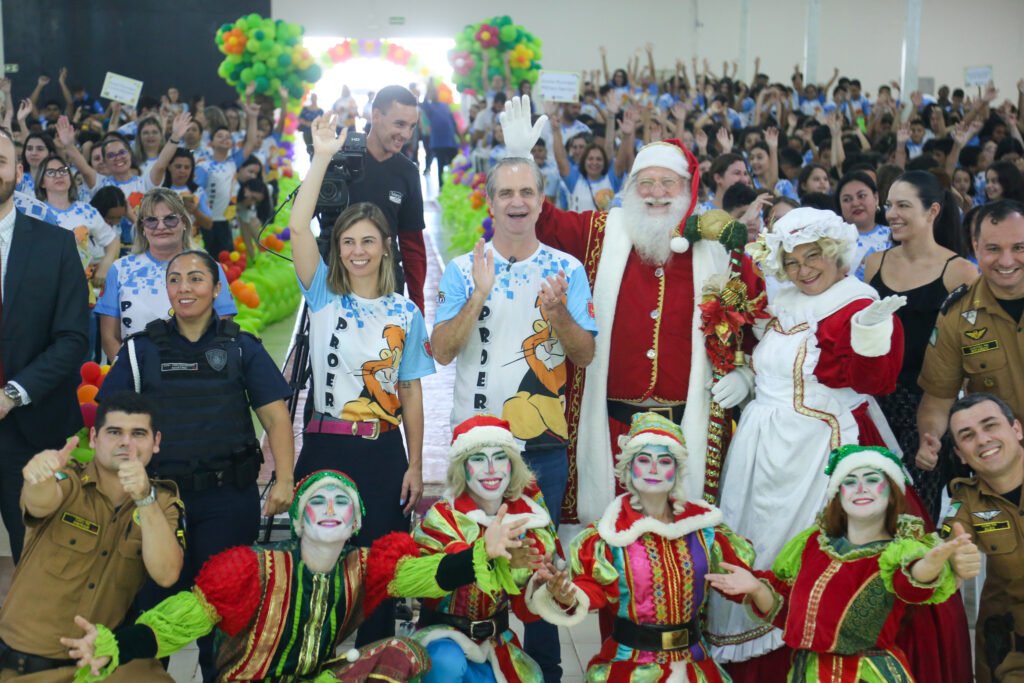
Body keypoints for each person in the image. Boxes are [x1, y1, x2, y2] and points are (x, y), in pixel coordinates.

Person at [499, 95, 761, 525]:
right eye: (646, 183)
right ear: (631, 188)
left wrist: (745, 372)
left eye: (668, 183)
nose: (656, 194)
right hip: (611, 426)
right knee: (607, 535)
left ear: (686, 190)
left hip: (685, 426)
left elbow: (755, 316)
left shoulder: (717, 244)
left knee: (678, 532)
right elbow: (543, 221)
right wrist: (519, 159)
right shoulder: (602, 231)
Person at [62, 469, 533, 683]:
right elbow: (178, 622)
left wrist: (477, 553)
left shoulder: (364, 568)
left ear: (354, 523)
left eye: (341, 503)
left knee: (403, 652)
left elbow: (428, 575)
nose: (330, 510)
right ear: (301, 519)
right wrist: (118, 644)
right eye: (318, 503)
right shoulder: (251, 569)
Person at [708, 207, 911, 676]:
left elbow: (875, 380)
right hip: (762, 449)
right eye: (794, 261)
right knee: (753, 541)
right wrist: (745, 375)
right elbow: (765, 360)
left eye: (814, 256)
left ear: (837, 253)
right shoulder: (782, 302)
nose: (804, 270)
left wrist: (871, 333)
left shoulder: (855, 304)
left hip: (820, 447)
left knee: (810, 552)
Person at [430, 154, 596, 683]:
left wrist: (559, 316)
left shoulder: (567, 270)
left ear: (542, 201)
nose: (518, 202)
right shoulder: (463, 268)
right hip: (473, 451)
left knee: (539, 565)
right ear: (492, 200)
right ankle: (470, 666)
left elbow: (585, 354)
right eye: (507, 193)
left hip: (540, 447)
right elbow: (441, 350)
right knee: (469, 564)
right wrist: (478, 295)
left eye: (527, 192)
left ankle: (545, 673)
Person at [290, 114, 435, 647]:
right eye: (348, 240)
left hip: (383, 452)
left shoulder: (405, 312)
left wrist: (415, 463)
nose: (357, 250)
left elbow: (412, 391)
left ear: (384, 247)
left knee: (382, 571)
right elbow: (298, 226)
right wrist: (321, 156)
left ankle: (376, 661)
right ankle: (317, 659)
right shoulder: (323, 295)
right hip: (328, 449)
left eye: (368, 240)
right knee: (321, 570)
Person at [707, 445, 980, 683]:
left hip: (866, 674)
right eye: (850, 481)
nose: (860, 488)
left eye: (873, 480)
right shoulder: (815, 545)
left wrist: (930, 564)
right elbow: (788, 613)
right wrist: (756, 588)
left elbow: (912, 583)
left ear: (892, 493)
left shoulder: (899, 552)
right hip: (808, 672)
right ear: (838, 494)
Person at [528, 412, 759, 682]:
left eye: (664, 461)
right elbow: (592, 590)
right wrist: (567, 595)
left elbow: (741, 586)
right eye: (644, 460)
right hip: (631, 666)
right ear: (627, 468)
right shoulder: (606, 537)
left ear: (677, 470)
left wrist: (757, 587)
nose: (653, 469)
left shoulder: (706, 531)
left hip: (694, 663)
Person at [0, 392, 183, 680]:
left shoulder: (161, 503)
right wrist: (38, 476)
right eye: (114, 432)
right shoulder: (69, 478)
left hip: (101, 663)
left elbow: (167, 574)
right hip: (24, 667)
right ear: (95, 438)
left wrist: (144, 499)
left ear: (155, 442)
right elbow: (41, 500)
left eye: (138, 433)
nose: (126, 442)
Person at [863, 171, 978, 521]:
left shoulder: (960, 271)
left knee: (917, 514)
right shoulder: (874, 264)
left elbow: (969, 349)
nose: (892, 214)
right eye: (889, 205)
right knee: (873, 507)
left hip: (928, 406)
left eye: (903, 205)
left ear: (932, 211)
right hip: (875, 405)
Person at [0, 128, 89, 562]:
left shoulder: (55, 245)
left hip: (30, 425)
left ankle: (25, 634)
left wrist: (11, 394)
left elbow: (74, 338)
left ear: (18, 172)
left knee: (37, 554)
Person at [413, 415, 556, 683]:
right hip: (442, 639)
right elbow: (429, 584)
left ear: (513, 467)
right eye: (478, 459)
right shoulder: (441, 518)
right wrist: (491, 557)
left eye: (500, 457)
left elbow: (525, 612)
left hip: (495, 642)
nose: (491, 469)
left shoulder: (528, 521)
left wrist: (542, 588)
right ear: (461, 469)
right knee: (446, 665)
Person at [917, 200, 1024, 473]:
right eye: (993, 249)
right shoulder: (956, 315)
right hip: (1003, 466)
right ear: (975, 247)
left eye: (1019, 248)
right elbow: (938, 400)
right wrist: (930, 437)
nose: (1007, 260)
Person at [93, 188, 237, 361]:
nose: (161, 227)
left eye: (170, 219)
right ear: (142, 227)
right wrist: (129, 375)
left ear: (184, 222)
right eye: (152, 220)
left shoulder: (210, 268)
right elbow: (109, 338)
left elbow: (223, 333)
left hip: (197, 375)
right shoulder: (119, 270)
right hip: (134, 379)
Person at [943, 393, 1024, 683]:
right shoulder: (964, 500)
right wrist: (952, 560)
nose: (982, 440)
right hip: (1014, 650)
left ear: (1016, 429)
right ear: (961, 455)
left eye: (990, 426)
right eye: (968, 436)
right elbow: (945, 543)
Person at [343, 85, 427, 312]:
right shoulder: (337, 159)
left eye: (411, 126)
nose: (407, 135)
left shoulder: (407, 171)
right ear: (376, 115)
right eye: (399, 124)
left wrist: (417, 306)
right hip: (337, 283)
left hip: (388, 285)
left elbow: (412, 244)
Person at [35, 154, 120, 289]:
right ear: (41, 182)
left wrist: (105, 266)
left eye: (63, 171)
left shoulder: (86, 210)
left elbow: (113, 241)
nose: (59, 175)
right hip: (47, 286)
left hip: (82, 287)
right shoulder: (35, 212)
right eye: (51, 172)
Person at [836, 171, 890, 280]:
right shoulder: (833, 241)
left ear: (876, 198)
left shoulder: (895, 235)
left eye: (861, 196)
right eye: (847, 199)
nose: (855, 203)